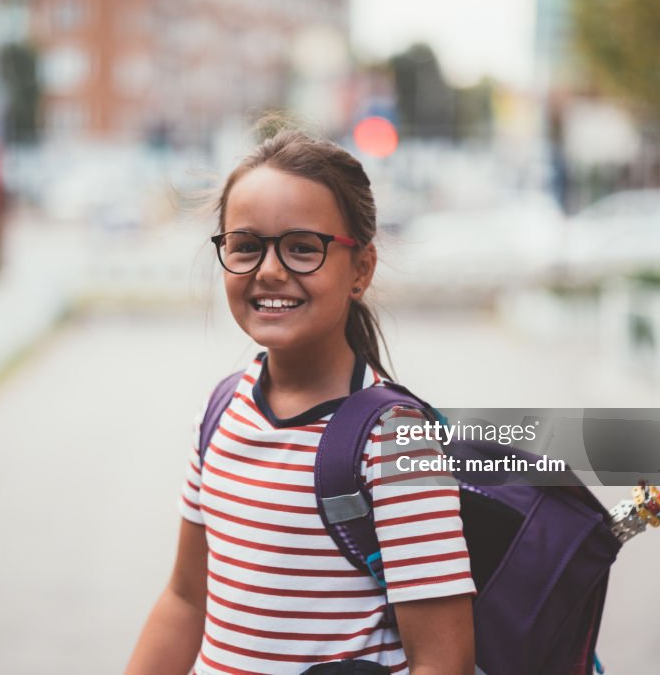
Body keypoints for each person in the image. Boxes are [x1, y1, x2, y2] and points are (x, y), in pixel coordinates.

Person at [126, 129, 475, 675]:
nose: (269, 270)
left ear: (360, 269)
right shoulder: (223, 409)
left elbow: (442, 662)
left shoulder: (396, 440)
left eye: (303, 248)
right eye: (245, 245)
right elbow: (186, 601)